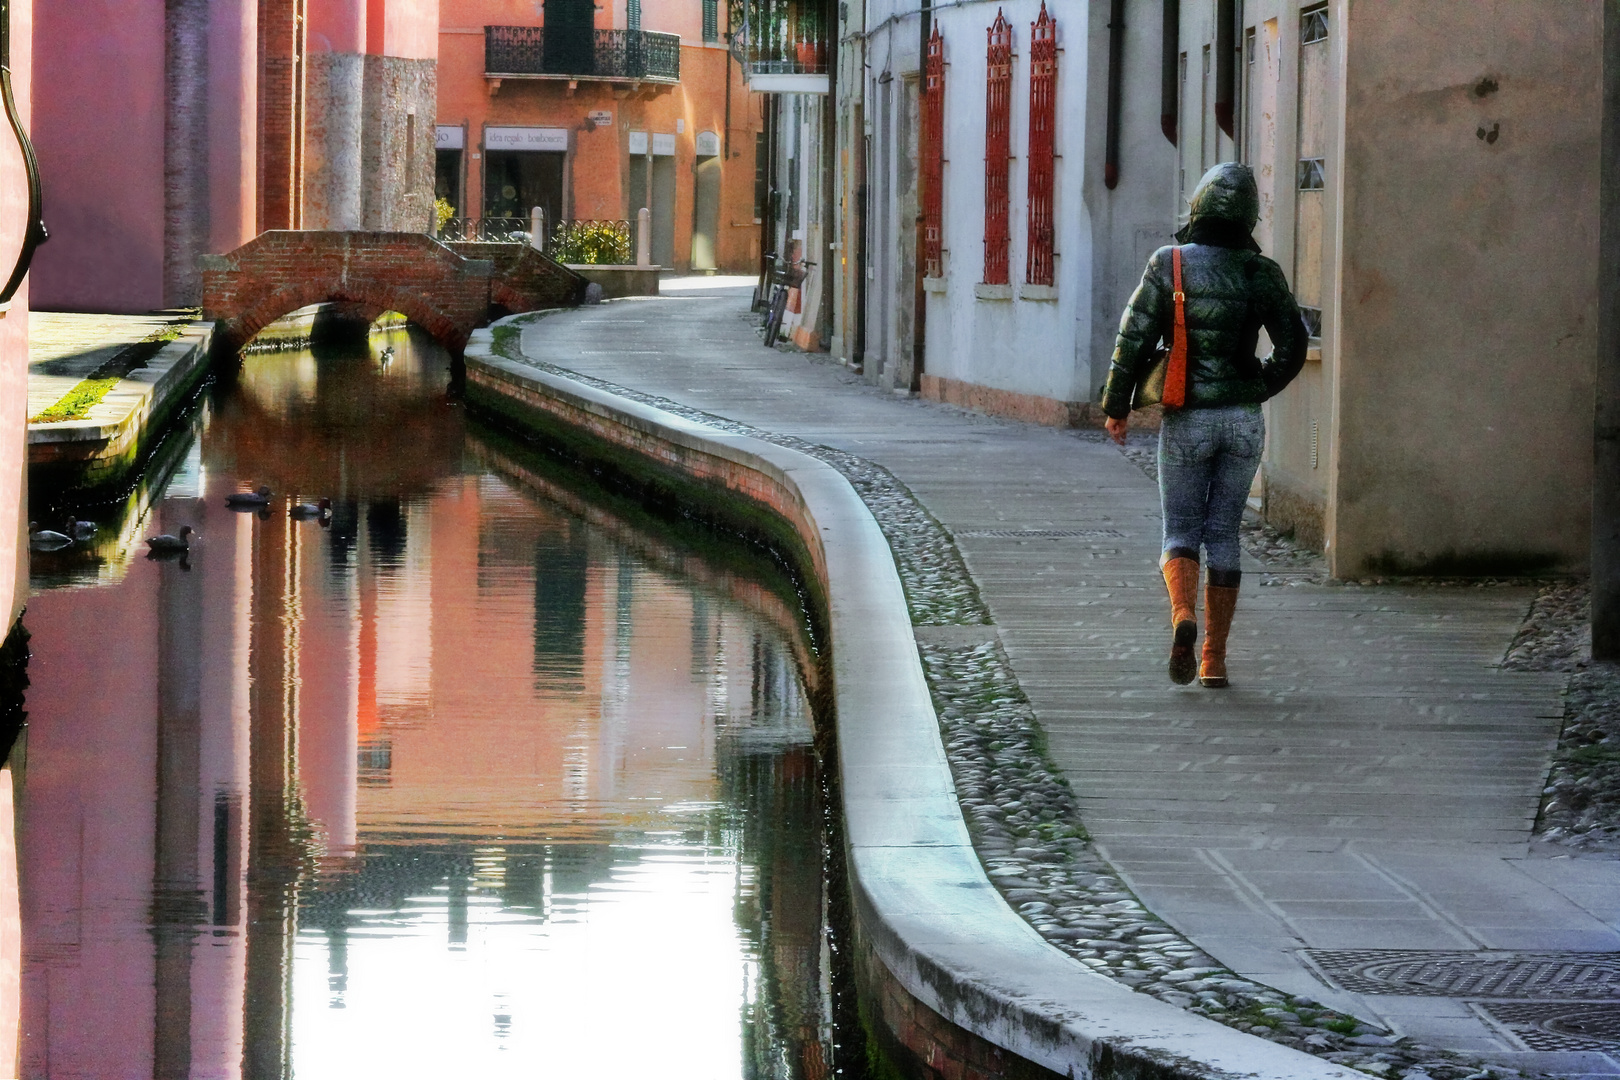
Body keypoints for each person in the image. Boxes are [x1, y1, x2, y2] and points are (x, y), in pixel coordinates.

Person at [1100, 162, 1308, 687]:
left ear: (1198, 207)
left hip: (1188, 419)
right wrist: (1257, 385)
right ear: (1248, 217)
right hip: (1242, 423)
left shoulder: (1168, 263)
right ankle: (1214, 658)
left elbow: (1134, 339)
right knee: (1224, 534)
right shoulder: (1262, 272)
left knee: (1180, 531)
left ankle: (1183, 617)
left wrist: (1117, 405)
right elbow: (1294, 344)